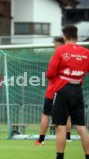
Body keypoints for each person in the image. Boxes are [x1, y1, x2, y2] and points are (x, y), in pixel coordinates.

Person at [46, 25, 89, 159]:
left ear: (64, 36)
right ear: (77, 37)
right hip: (77, 90)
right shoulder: (85, 52)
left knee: (61, 126)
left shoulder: (60, 50)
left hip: (63, 89)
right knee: (82, 127)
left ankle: (60, 157)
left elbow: (50, 73)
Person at [35, 37, 72, 145]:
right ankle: (68, 138)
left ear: (58, 44)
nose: (54, 47)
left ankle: (41, 140)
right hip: (68, 89)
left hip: (53, 90)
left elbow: (50, 75)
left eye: (55, 45)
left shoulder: (55, 57)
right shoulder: (71, 58)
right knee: (66, 114)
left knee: (45, 114)